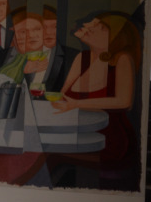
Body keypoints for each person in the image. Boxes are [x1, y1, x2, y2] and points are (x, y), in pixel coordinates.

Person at [51, 11, 140, 189]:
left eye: (101, 28)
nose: (91, 28)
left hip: (109, 139)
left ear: (116, 37)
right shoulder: (82, 58)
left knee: (48, 157)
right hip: (77, 134)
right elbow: (63, 96)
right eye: (93, 25)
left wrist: (76, 104)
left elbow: (124, 102)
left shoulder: (121, 59)